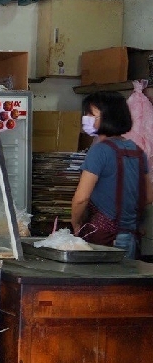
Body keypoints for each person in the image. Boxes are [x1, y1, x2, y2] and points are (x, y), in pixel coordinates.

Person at [71, 91, 152, 259]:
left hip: (104, 239)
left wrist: (76, 223)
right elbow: (149, 196)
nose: (86, 118)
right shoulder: (137, 151)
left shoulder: (99, 151)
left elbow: (81, 198)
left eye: (91, 114)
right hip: (131, 237)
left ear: (108, 117)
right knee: (123, 284)